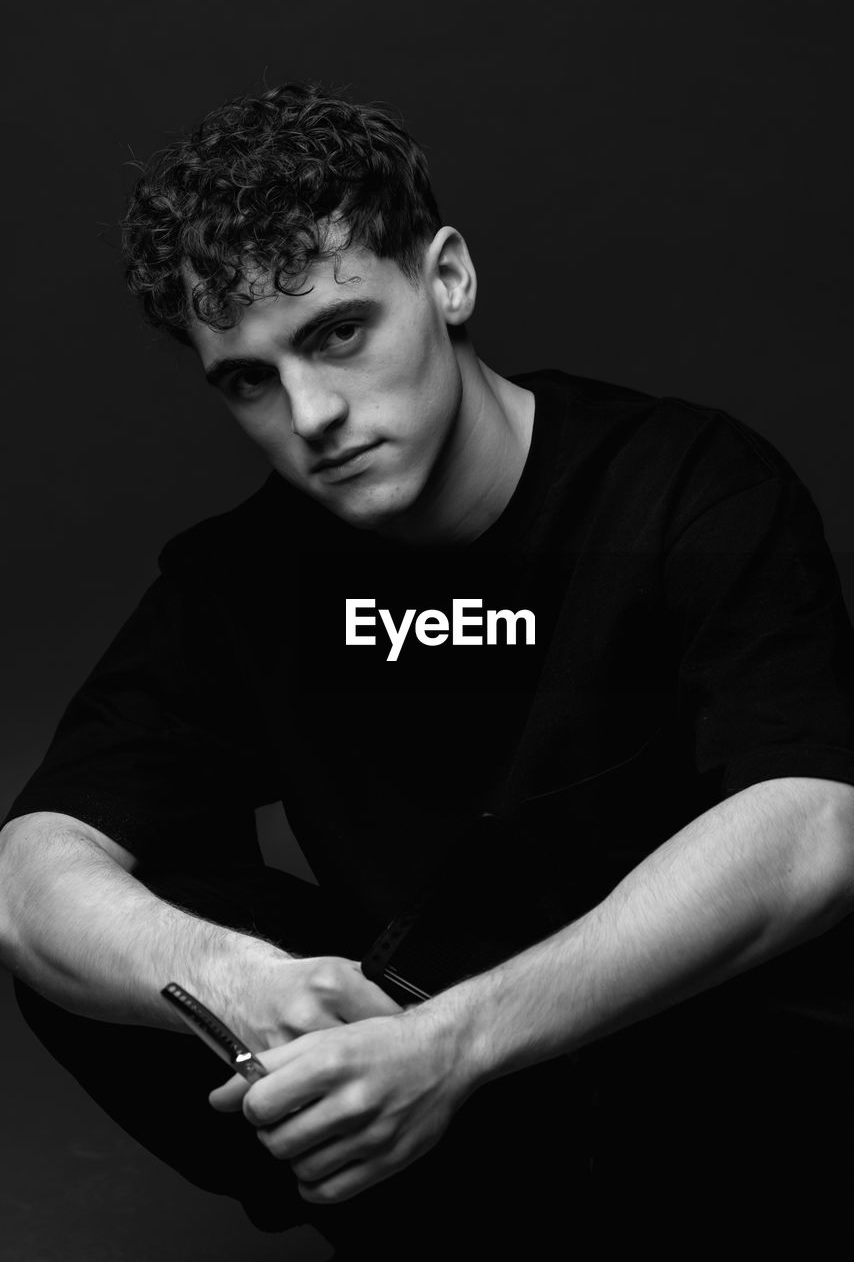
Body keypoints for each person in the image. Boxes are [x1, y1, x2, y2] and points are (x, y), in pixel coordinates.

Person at [2, 81, 854, 1255]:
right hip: (460, 1134)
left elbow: (813, 820)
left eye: (337, 331)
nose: (309, 414)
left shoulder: (682, 483)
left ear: (445, 279)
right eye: (247, 378)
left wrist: (452, 1040)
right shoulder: (243, 579)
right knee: (110, 944)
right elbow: (30, 870)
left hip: (725, 1098)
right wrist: (242, 979)